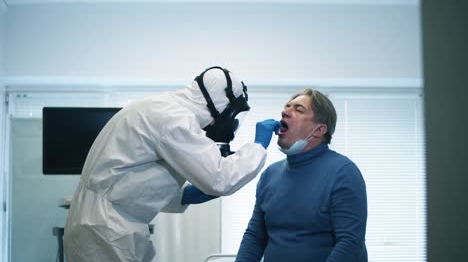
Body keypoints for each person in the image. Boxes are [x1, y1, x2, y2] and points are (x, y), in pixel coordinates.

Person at [63, 66, 280, 262]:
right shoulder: (175, 119)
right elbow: (220, 179)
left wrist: (182, 196)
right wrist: (259, 145)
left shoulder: (162, 106)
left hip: (100, 224)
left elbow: (127, 178)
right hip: (106, 229)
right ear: (223, 106)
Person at [235, 88, 368, 262]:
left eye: (298, 109)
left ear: (319, 130)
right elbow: (255, 236)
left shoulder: (343, 172)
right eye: (287, 107)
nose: (285, 112)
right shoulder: (270, 174)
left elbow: (350, 243)